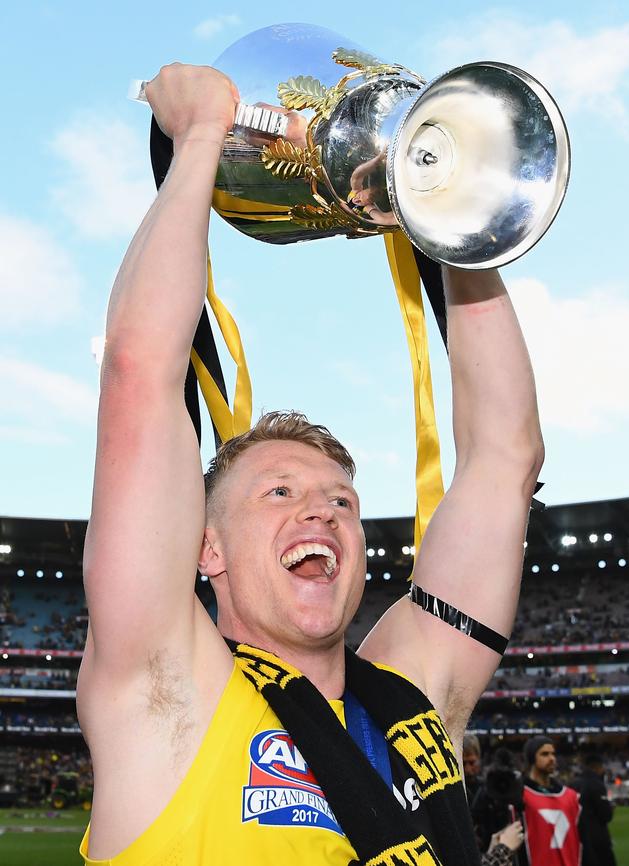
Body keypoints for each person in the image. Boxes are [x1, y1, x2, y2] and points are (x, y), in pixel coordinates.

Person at [76, 64, 544, 865]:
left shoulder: (411, 696)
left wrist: (445, 205)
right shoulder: (166, 691)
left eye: (342, 501)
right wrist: (195, 140)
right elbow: (140, 375)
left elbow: (506, 456)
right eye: (280, 492)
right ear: (206, 548)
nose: (323, 511)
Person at [522, 737, 581, 866]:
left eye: (553, 754)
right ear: (532, 758)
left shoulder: (570, 796)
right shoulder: (520, 795)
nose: (552, 758)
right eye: (544, 754)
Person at [572, 754, 616, 866]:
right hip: (597, 839)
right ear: (597, 767)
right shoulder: (597, 784)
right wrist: (610, 808)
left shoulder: (572, 784)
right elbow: (606, 815)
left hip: (578, 837)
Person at [463, 733, 485, 806]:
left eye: (472, 763)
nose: (467, 769)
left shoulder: (486, 787)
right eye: (463, 763)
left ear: (479, 759)